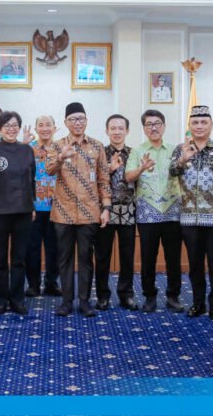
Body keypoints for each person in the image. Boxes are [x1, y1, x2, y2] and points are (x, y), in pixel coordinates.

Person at [170, 105, 213, 320]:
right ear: (190, 125)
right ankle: (198, 303)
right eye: (195, 122)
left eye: (203, 122)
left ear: (211, 125)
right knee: (195, 265)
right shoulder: (181, 149)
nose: (199, 126)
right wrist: (183, 159)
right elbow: (172, 172)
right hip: (189, 218)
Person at [46, 102, 112, 318]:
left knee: (85, 258)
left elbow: (103, 180)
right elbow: (49, 170)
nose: (78, 123)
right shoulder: (57, 145)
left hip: (89, 213)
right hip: (62, 213)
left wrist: (106, 207)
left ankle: (84, 301)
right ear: (66, 123)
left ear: (86, 121)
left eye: (81, 119)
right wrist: (61, 157)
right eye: (73, 119)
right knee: (64, 259)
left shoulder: (97, 146)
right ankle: (66, 302)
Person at [125, 110, 183, 313]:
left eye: (157, 123)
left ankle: (173, 296)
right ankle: (149, 296)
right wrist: (141, 168)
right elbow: (128, 177)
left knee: (173, 257)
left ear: (164, 126)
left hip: (172, 211)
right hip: (147, 213)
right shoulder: (137, 151)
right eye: (149, 124)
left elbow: (183, 173)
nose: (154, 127)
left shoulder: (176, 150)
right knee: (148, 257)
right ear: (144, 128)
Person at [0, 110, 36, 315]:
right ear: (0, 128)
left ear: (19, 127)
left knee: (19, 259)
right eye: (7, 126)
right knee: (0, 259)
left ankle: (17, 300)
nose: (11, 129)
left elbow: (31, 181)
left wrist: (32, 206)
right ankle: (0, 300)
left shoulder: (27, 150)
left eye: (14, 125)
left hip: (23, 211)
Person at [94, 114, 137, 311]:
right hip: (104, 212)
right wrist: (109, 170)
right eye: (113, 128)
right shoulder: (99, 153)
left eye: (121, 128)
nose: (117, 132)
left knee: (127, 256)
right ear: (107, 131)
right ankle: (102, 296)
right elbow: (92, 181)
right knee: (102, 256)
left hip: (128, 211)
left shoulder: (135, 153)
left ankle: (126, 294)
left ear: (127, 131)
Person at [25, 115, 62, 298]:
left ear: (55, 128)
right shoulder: (28, 149)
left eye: (49, 125)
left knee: (54, 249)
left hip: (56, 208)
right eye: (41, 125)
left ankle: (51, 283)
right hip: (33, 207)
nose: (45, 128)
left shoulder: (61, 148)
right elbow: (23, 178)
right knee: (32, 248)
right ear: (36, 128)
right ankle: (33, 285)